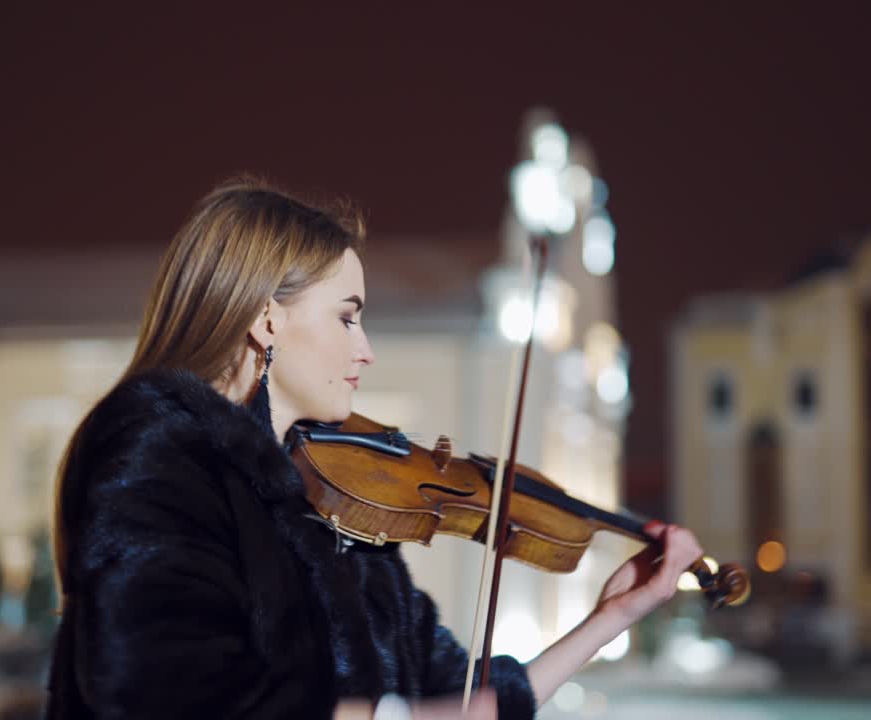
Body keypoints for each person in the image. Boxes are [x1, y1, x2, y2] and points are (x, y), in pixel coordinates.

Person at [44, 178, 704, 719]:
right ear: (266, 317)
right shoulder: (157, 455)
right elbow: (170, 695)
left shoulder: (336, 501)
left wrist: (611, 618)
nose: (366, 350)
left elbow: (457, 703)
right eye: (347, 316)